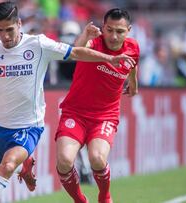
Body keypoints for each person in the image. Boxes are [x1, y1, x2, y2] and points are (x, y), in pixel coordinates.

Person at [0, 2, 135, 203]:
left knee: (7, 166)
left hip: (29, 124)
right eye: (0, 30)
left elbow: (75, 52)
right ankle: (25, 166)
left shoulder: (38, 44)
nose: (5, 36)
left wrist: (108, 59)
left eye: (9, 29)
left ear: (19, 24)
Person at [55, 8, 139, 203]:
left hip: (105, 116)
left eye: (120, 31)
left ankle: (104, 196)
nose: (114, 36)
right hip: (75, 113)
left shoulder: (133, 47)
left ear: (129, 30)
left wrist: (133, 84)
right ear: (103, 27)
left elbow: (133, 63)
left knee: (97, 159)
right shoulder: (94, 42)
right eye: (109, 30)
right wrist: (85, 34)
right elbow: (75, 53)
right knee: (65, 161)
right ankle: (80, 200)